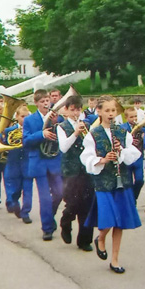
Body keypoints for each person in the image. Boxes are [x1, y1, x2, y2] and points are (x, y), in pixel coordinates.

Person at [82, 96, 142, 273]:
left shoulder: (123, 132)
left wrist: (121, 152)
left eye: (113, 110)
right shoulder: (93, 134)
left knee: (120, 222)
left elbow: (134, 153)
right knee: (109, 218)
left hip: (121, 181)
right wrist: (102, 159)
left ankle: (114, 260)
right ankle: (101, 238)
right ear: (99, 111)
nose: (110, 114)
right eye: (107, 111)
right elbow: (86, 158)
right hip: (103, 182)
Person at [23, 89, 64, 241]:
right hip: (38, 162)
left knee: (60, 193)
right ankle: (47, 228)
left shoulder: (57, 118)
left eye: (47, 101)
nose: (46, 104)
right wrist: (42, 134)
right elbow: (26, 141)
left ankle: (49, 216)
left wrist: (56, 123)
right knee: (45, 198)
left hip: (54, 161)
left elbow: (63, 136)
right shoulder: (29, 120)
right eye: (42, 102)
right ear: (36, 103)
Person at [56, 95, 95, 251]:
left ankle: (85, 240)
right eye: (72, 110)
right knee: (72, 203)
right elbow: (64, 147)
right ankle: (66, 222)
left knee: (86, 204)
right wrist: (75, 133)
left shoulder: (87, 125)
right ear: (66, 110)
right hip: (70, 171)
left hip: (86, 169)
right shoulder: (61, 126)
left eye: (78, 110)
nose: (76, 113)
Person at [4, 105, 33, 223]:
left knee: (28, 190)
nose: (24, 119)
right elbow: (5, 145)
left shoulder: (31, 130)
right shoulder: (9, 131)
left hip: (27, 163)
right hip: (14, 163)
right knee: (15, 189)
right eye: (22, 116)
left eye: (27, 117)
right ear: (16, 117)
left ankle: (26, 212)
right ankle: (14, 203)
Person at [120, 107, 145, 202]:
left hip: (138, 157)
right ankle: (131, 202)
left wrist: (143, 136)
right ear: (126, 118)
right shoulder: (122, 128)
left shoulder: (140, 127)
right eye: (131, 117)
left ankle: (134, 197)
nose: (134, 119)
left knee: (140, 180)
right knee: (128, 183)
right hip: (127, 158)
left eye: (135, 116)